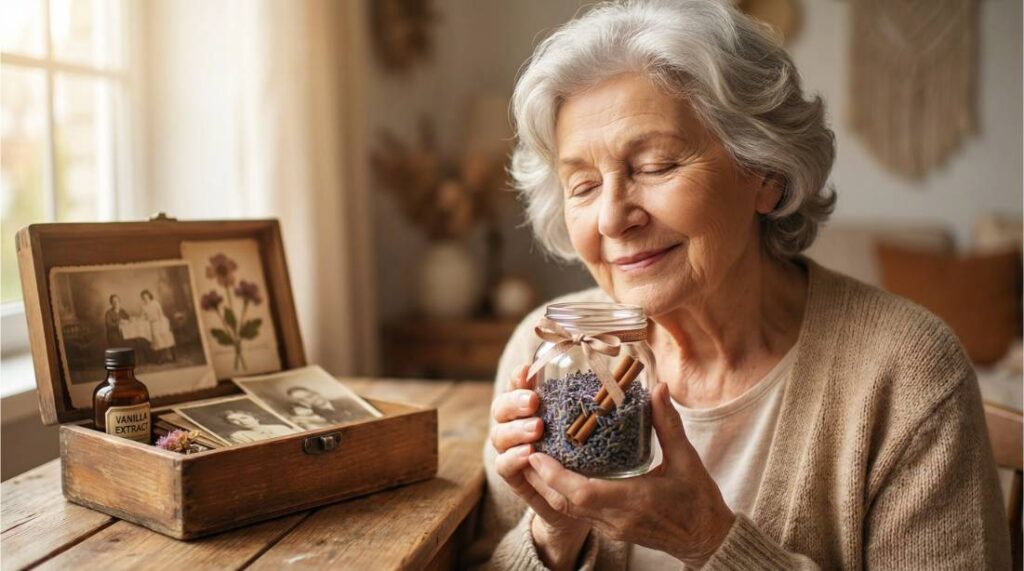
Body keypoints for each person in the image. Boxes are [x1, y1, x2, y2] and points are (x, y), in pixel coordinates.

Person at [472, 1, 1010, 569]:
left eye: (654, 166)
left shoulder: (908, 374)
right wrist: (554, 535)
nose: (611, 218)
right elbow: (488, 557)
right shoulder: (547, 349)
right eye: (582, 185)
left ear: (767, 176)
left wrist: (708, 540)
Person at [286, 386, 366, 424]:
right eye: (302, 400)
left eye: (309, 396)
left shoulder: (345, 400)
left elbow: (364, 414)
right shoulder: (314, 413)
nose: (308, 400)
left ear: (316, 392)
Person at [139, 289, 176, 364]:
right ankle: (160, 359)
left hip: (161, 321)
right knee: (157, 340)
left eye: (147, 297)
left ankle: (173, 357)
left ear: (149, 296)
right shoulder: (143, 306)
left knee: (167, 337)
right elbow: (142, 316)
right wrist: (137, 319)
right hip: (153, 324)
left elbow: (161, 313)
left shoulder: (155, 303)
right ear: (142, 298)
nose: (146, 299)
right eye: (144, 297)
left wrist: (163, 323)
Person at [222, 409, 293, 444]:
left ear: (255, 417)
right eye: (234, 420)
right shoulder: (237, 436)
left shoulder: (280, 427)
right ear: (231, 424)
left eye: (244, 418)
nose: (241, 422)